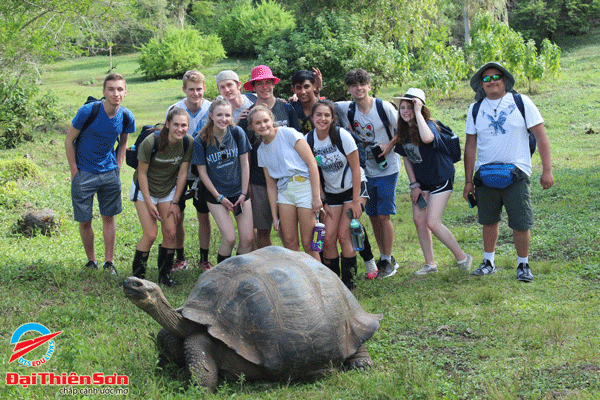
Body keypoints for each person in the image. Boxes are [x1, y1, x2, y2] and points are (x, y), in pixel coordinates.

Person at [463, 62, 554, 282]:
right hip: (485, 174)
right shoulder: (475, 109)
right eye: (486, 79)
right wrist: (468, 181)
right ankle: (488, 261)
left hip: (517, 172)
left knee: (521, 221)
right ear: (481, 85)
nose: (492, 81)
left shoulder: (521, 102)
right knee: (488, 220)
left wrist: (547, 170)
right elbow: (470, 146)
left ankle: (523, 264)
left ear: (505, 80)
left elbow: (541, 136)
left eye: (496, 77)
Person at [393, 88, 472, 275]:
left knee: (433, 222)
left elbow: (428, 138)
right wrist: (414, 185)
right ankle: (430, 264)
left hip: (440, 178)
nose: (405, 111)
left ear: (420, 107)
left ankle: (463, 258)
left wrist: (418, 112)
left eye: (410, 107)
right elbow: (406, 157)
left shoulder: (430, 126)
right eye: (402, 107)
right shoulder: (403, 130)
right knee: (419, 220)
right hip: (422, 181)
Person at [65, 73, 135, 275]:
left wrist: (118, 165)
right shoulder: (88, 111)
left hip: (109, 173)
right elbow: (69, 140)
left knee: (108, 217)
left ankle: (109, 262)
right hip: (84, 173)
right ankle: (91, 261)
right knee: (85, 220)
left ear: (125, 92)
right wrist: (74, 170)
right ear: (104, 92)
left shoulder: (126, 116)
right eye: (111, 89)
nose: (116, 93)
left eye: (120, 89)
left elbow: (124, 141)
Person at [336, 69, 400, 279]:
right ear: (349, 89)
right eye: (354, 85)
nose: (359, 88)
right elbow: (323, 106)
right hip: (365, 170)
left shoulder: (383, 107)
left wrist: (389, 145)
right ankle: (384, 258)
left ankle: (388, 259)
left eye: (362, 83)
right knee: (372, 216)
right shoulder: (348, 108)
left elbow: (404, 127)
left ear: (369, 85)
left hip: (388, 168)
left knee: (384, 215)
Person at [238, 65, 302, 250]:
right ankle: (267, 264)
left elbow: (298, 144)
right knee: (263, 229)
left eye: (268, 82)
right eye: (260, 84)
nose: (265, 87)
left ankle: (293, 263)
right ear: (253, 87)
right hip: (259, 180)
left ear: (273, 84)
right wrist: (247, 183)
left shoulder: (287, 109)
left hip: (286, 177)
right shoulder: (248, 116)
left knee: (287, 229)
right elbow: (246, 153)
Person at [307, 100, 369, 289]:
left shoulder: (343, 136)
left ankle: (349, 281)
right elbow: (314, 172)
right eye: (319, 115)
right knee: (327, 239)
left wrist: (357, 200)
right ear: (312, 117)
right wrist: (322, 198)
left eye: (327, 115)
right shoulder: (309, 140)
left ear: (333, 118)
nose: (322, 119)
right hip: (332, 193)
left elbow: (356, 168)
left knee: (344, 235)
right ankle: (334, 282)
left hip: (354, 189)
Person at [130, 107, 193, 286]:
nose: (180, 129)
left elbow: (182, 173)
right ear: (167, 124)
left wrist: (175, 202)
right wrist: (149, 202)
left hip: (168, 190)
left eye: (184, 125)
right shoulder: (151, 142)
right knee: (150, 234)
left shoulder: (188, 142)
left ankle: (164, 276)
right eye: (176, 125)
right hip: (144, 190)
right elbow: (141, 173)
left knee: (171, 232)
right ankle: (138, 277)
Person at [248, 105, 322, 260]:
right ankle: (298, 279)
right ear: (252, 127)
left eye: (266, 120)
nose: (263, 125)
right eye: (258, 123)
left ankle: (319, 280)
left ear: (272, 120)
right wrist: (275, 216)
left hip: (303, 187)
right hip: (284, 193)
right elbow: (270, 185)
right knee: (289, 242)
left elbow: (312, 164)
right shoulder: (261, 150)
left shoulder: (288, 133)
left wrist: (316, 197)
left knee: (309, 242)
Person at [192, 98, 253, 263]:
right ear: (211, 115)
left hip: (239, 192)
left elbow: (245, 164)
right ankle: (222, 273)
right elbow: (202, 173)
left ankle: (239, 270)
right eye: (219, 115)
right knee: (230, 238)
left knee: (247, 239)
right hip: (216, 194)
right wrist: (219, 197)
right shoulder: (201, 140)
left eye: (227, 115)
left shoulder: (237, 133)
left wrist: (243, 192)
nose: (223, 119)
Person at [166, 70, 213, 271]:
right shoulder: (175, 109)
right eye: (191, 89)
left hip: (204, 170)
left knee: (203, 214)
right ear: (184, 89)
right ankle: (180, 257)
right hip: (179, 170)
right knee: (178, 214)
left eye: (199, 89)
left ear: (204, 88)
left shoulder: (212, 108)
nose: (195, 93)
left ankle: (204, 259)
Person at [290, 68, 322, 134]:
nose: (303, 92)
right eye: (299, 88)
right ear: (294, 90)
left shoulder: (326, 108)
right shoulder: (291, 108)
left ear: (314, 87)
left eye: (306, 87)